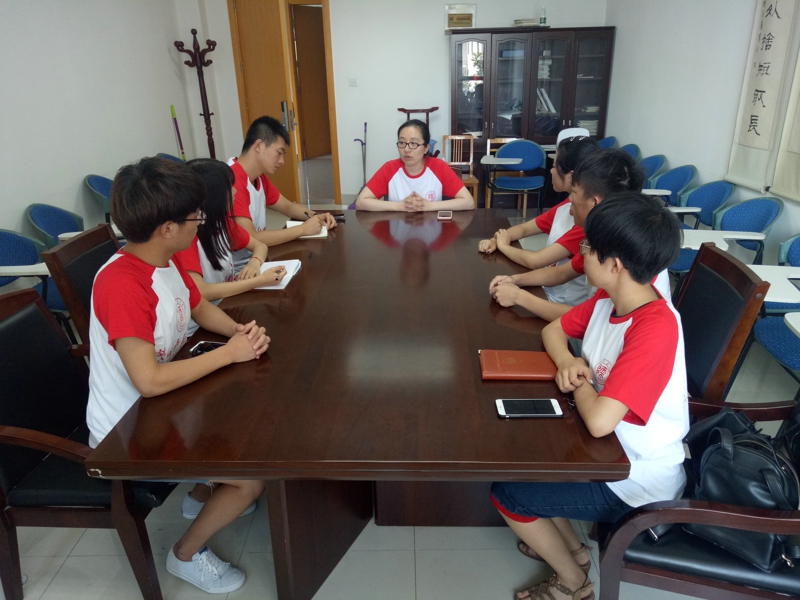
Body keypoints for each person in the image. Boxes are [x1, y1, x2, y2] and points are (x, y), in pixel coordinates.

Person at [490, 193, 688, 600]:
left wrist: (578, 380)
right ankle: (576, 553)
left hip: (634, 478)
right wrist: (568, 362)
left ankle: (573, 583)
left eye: (589, 247)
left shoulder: (655, 329)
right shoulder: (609, 298)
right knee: (528, 458)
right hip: (604, 450)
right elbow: (554, 330)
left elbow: (599, 422)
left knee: (507, 494)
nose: (582, 253)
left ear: (615, 265)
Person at [86, 157, 269, 594]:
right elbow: (148, 381)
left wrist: (239, 333)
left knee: (251, 419)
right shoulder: (122, 284)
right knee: (252, 477)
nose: (201, 221)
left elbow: (199, 307)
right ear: (168, 228)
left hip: (163, 405)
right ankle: (185, 555)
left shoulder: (161, 259)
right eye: (196, 216)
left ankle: (202, 492)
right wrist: (229, 355)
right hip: (128, 429)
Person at [489, 149, 665, 323]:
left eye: (574, 192)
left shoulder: (622, 251)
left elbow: (589, 320)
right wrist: (515, 280)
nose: (570, 200)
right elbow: (561, 273)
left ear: (594, 202)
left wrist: (519, 296)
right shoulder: (604, 234)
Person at [478, 134, 599, 278]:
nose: (551, 171)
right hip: (548, 284)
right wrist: (496, 240)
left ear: (571, 176)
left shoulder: (585, 221)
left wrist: (503, 246)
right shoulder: (567, 206)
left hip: (560, 290)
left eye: (554, 166)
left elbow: (535, 261)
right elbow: (524, 229)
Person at [229, 115, 337, 271]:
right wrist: (302, 229)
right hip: (239, 269)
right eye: (279, 153)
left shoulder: (258, 177)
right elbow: (251, 237)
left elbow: (287, 207)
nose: (281, 161)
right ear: (259, 145)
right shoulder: (232, 180)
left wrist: (317, 216)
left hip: (258, 257)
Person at [174, 159, 287, 306]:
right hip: (207, 313)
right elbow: (201, 291)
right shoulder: (187, 237)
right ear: (214, 196)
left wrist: (255, 262)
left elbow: (260, 246)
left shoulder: (222, 221)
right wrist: (259, 281)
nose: (235, 191)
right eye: (230, 187)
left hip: (228, 301)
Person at [355, 119, 474, 211]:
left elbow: (468, 202)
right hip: (397, 230)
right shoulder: (390, 168)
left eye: (413, 144)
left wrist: (428, 206)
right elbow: (361, 202)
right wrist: (400, 206)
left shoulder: (439, 167)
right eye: (402, 143)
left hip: (432, 231)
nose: (406, 150)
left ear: (426, 148)